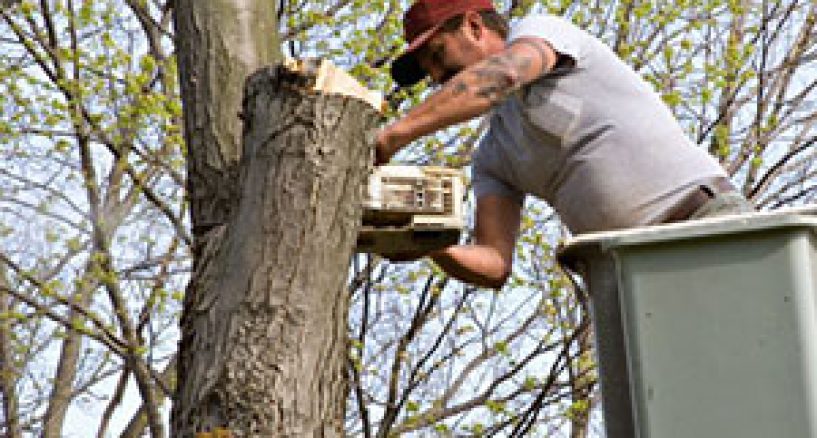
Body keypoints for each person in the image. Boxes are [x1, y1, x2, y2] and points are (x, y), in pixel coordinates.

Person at [375, 0, 753, 288]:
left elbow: (503, 74)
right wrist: (427, 243)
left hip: (704, 227)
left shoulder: (541, 32)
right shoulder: (494, 155)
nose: (439, 77)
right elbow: (493, 262)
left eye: (439, 56)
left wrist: (394, 135)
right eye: (430, 73)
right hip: (624, 275)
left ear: (474, 27)